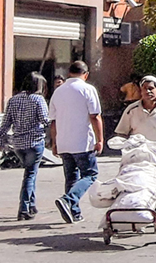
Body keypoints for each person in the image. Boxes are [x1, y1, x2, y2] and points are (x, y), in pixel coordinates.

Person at [48, 60, 103, 224]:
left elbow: (53, 121)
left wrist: (55, 142)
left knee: (71, 177)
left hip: (64, 141)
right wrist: (100, 139)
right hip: (82, 142)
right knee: (90, 174)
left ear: (69, 73)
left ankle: (74, 212)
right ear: (86, 74)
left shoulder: (58, 92)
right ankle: (68, 200)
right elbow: (95, 116)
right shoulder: (87, 89)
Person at [0, 72, 48, 220]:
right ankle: (24, 209)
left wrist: (0, 140)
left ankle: (31, 205)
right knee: (30, 175)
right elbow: (45, 120)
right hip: (35, 142)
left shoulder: (13, 100)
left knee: (29, 173)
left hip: (18, 144)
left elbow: (6, 122)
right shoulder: (38, 99)